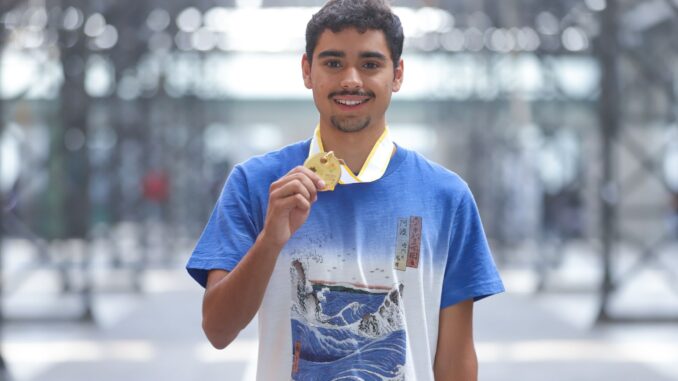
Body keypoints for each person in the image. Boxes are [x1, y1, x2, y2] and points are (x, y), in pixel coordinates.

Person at [186, 0, 504, 379]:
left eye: (370, 64)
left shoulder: (447, 197)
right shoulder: (256, 183)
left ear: (397, 74)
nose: (351, 79)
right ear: (307, 71)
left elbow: (456, 360)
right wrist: (271, 239)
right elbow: (218, 330)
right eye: (333, 63)